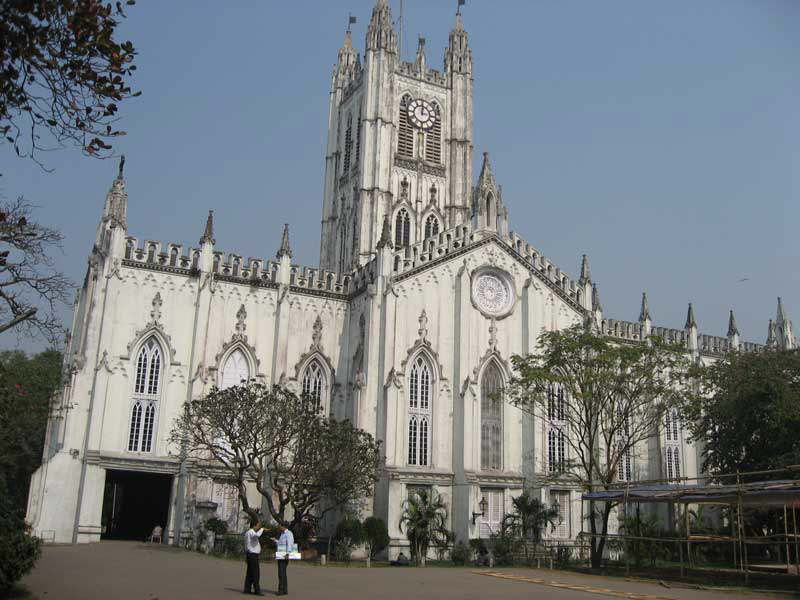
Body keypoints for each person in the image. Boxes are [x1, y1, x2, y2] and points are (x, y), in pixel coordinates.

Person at [271, 525, 294, 596]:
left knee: (281, 573)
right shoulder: (282, 534)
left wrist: (288, 553)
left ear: (284, 526)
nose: (279, 528)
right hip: (281, 554)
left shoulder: (288, 533)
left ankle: (281, 590)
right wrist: (275, 540)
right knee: (282, 573)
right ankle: (284, 590)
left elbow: (290, 543)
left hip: (284, 555)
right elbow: (281, 544)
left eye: (280, 526)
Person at [243, 518, 264, 596]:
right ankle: (257, 590)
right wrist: (262, 529)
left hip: (250, 554)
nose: (259, 527)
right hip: (252, 555)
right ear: (254, 525)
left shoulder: (248, 533)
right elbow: (257, 535)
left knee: (250, 573)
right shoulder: (251, 532)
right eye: (258, 525)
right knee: (256, 573)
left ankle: (247, 589)